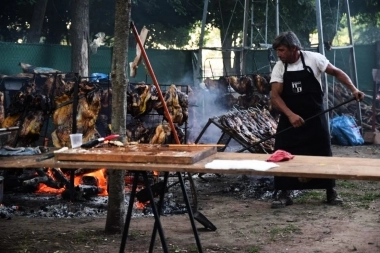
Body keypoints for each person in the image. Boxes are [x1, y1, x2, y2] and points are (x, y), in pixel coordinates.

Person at [269, 31, 364, 208]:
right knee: (282, 153)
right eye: (277, 51)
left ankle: (330, 191)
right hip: (290, 118)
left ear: (293, 48)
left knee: (323, 152)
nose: (279, 54)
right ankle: (284, 193)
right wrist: (290, 115)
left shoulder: (314, 59)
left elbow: (337, 72)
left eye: (282, 50)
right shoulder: (280, 67)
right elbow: (275, 96)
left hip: (315, 116)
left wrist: (353, 90)